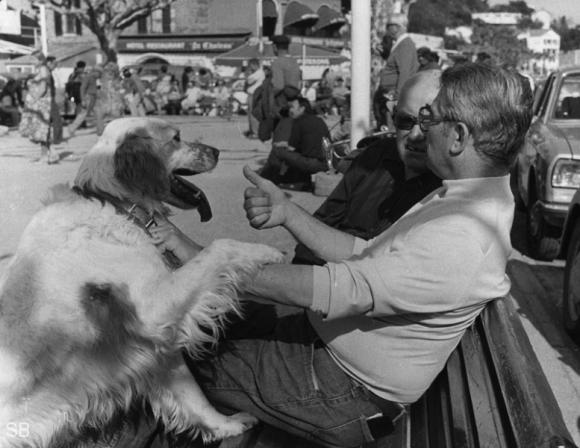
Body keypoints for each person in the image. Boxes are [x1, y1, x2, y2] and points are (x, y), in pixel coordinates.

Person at [154, 62, 533, 447]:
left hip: (336, 389)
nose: (420, 131)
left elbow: (333, 287)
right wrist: (287, 211)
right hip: (325, 359)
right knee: (192, 328)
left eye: (429, 118)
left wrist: (199, 257)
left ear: (458, 136)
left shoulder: (464, 233)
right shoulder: (468, 198)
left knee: (158, 358)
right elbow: (367, 255)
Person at [293, 70, 442, 266]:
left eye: (427, 123)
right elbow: (323, 222)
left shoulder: (453, 185)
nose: (415, 134)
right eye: (405, 121)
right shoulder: (373, 157)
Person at [259, 96, 330, 191]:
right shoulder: (318, 120)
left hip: (313, 163)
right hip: (327, 161)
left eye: (292, 107)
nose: (290, 110)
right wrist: (284, 143)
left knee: (278, 151)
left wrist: (280, 146)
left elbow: (291, 148)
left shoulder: (299, 122)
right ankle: (301, 182)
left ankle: (267, 179)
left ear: (302, 109)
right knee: (299, 154)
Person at [378, 13, 418, 129]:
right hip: (392, 95)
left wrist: (396, 98)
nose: (387, 29)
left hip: (394, 98)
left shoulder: (404, 45)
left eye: (389, 25)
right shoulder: (401, 44)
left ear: (397, 27)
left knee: (392, 131)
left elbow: (404, 73)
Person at [19, 54, 59, 164]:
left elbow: (42, 87)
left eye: (32, 59)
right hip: (40, 105)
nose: (31, 62)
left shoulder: (43, 69)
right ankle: (52, 154)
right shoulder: (42, 69)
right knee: (41, 131)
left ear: (39, 60)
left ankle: (44, 157)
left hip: (40, 105)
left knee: (41, 131)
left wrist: (34, 100)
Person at [270, 34, 301, 124]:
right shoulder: (294, 62)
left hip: (282, 101)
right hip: (295, 97)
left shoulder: (277, 62)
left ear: (275, 47)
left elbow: (279, 86)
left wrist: (269, 95)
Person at [67, 65, 105, 138]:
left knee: (99, 114)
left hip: (94, 98)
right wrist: (83, 100)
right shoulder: (88, 77)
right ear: (96, 72)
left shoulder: (94, 78)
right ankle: (71, 128)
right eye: (99, 74)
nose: (100, 76)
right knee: (83, 114)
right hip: (88, 98)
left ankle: (101, 131)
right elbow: (82, 89)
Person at [244, 58, 265, 138]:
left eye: (250, 65)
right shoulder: (256, 72)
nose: (250, 67)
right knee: (250, 113)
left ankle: (255, 132)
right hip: (251, 94)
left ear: (254, 65)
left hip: (254, 95)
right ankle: (252, 130)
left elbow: (249, 81)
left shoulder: (259, 72)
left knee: (253, 114)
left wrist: (247, 76)